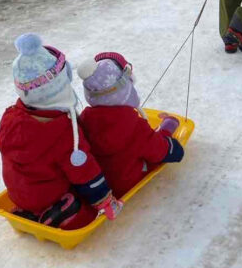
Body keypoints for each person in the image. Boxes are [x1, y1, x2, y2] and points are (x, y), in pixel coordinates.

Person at [0, 34, 122, 230]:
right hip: (47, 195)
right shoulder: (63, 132)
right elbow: (85, 172)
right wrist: (105, 201)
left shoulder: (10, 118)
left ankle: (28, 211)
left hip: (18, 194)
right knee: (86, 213)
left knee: (37, 173)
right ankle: (60, 211)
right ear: (60, 84)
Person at [79, 53, 184, 198]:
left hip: (99, 188)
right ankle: (166, 127)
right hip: (127, 185)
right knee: (153, 151)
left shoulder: (83, 121)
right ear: (125, 89)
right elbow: (160, 150)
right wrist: (172, 141)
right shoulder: (134, 126)